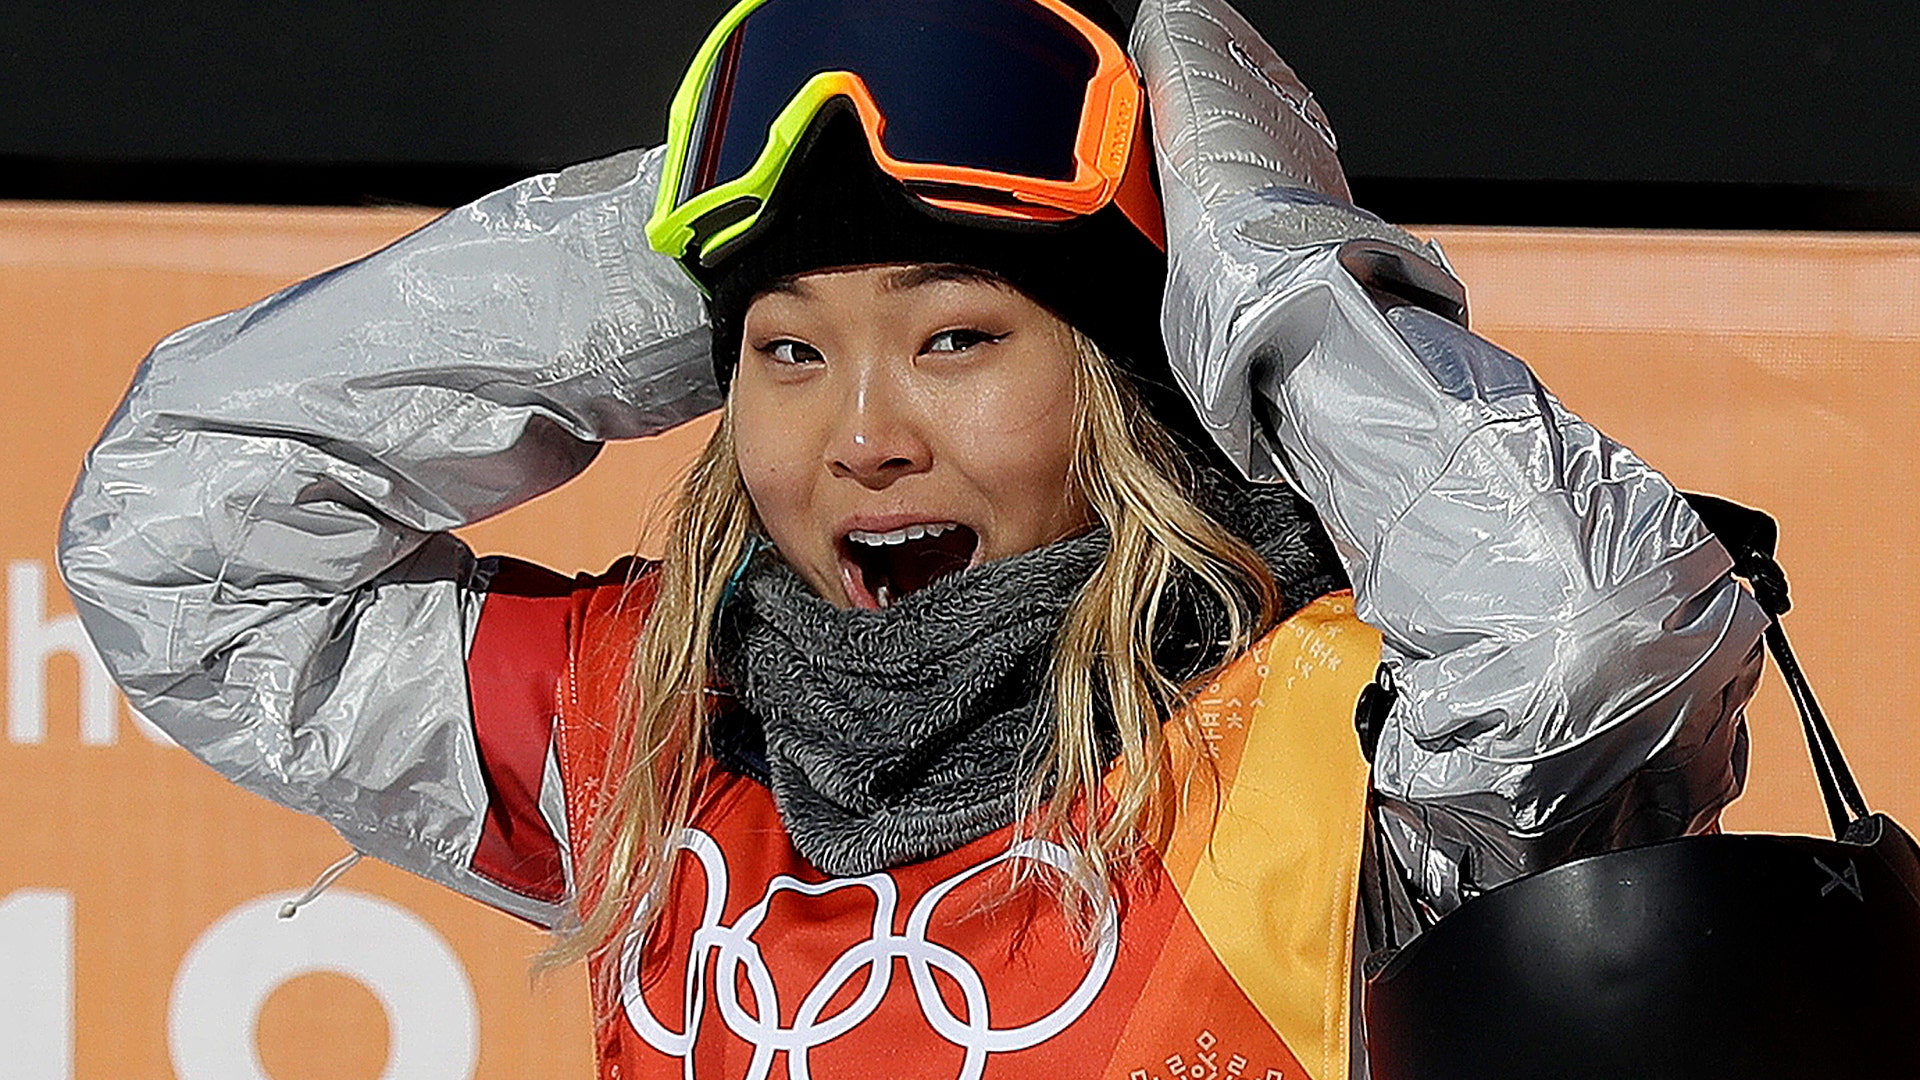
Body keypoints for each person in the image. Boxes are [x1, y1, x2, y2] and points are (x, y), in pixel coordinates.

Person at [57, 0, 1767, 1075]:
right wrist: (672, 246)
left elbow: (1587, 640)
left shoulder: (1345, 738)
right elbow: (178, 528)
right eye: (787, 356)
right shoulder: (659, 723)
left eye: (956, 337)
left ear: (1128, 377)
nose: (863, 436)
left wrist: (1257, 253)